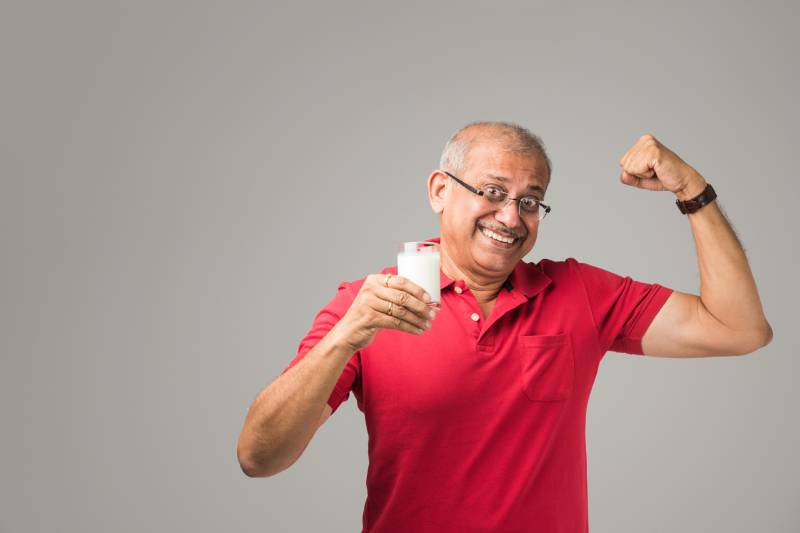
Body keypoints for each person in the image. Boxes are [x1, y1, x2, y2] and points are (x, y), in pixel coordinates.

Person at [237, 121, 773, 532]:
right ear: (440, 191)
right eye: (492, 192)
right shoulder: (367, 307)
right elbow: (260, 458)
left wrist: (693, 191)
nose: (511, 217)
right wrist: (343, 339)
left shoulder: (579, 293)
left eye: (530, 201)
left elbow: (739, 328)